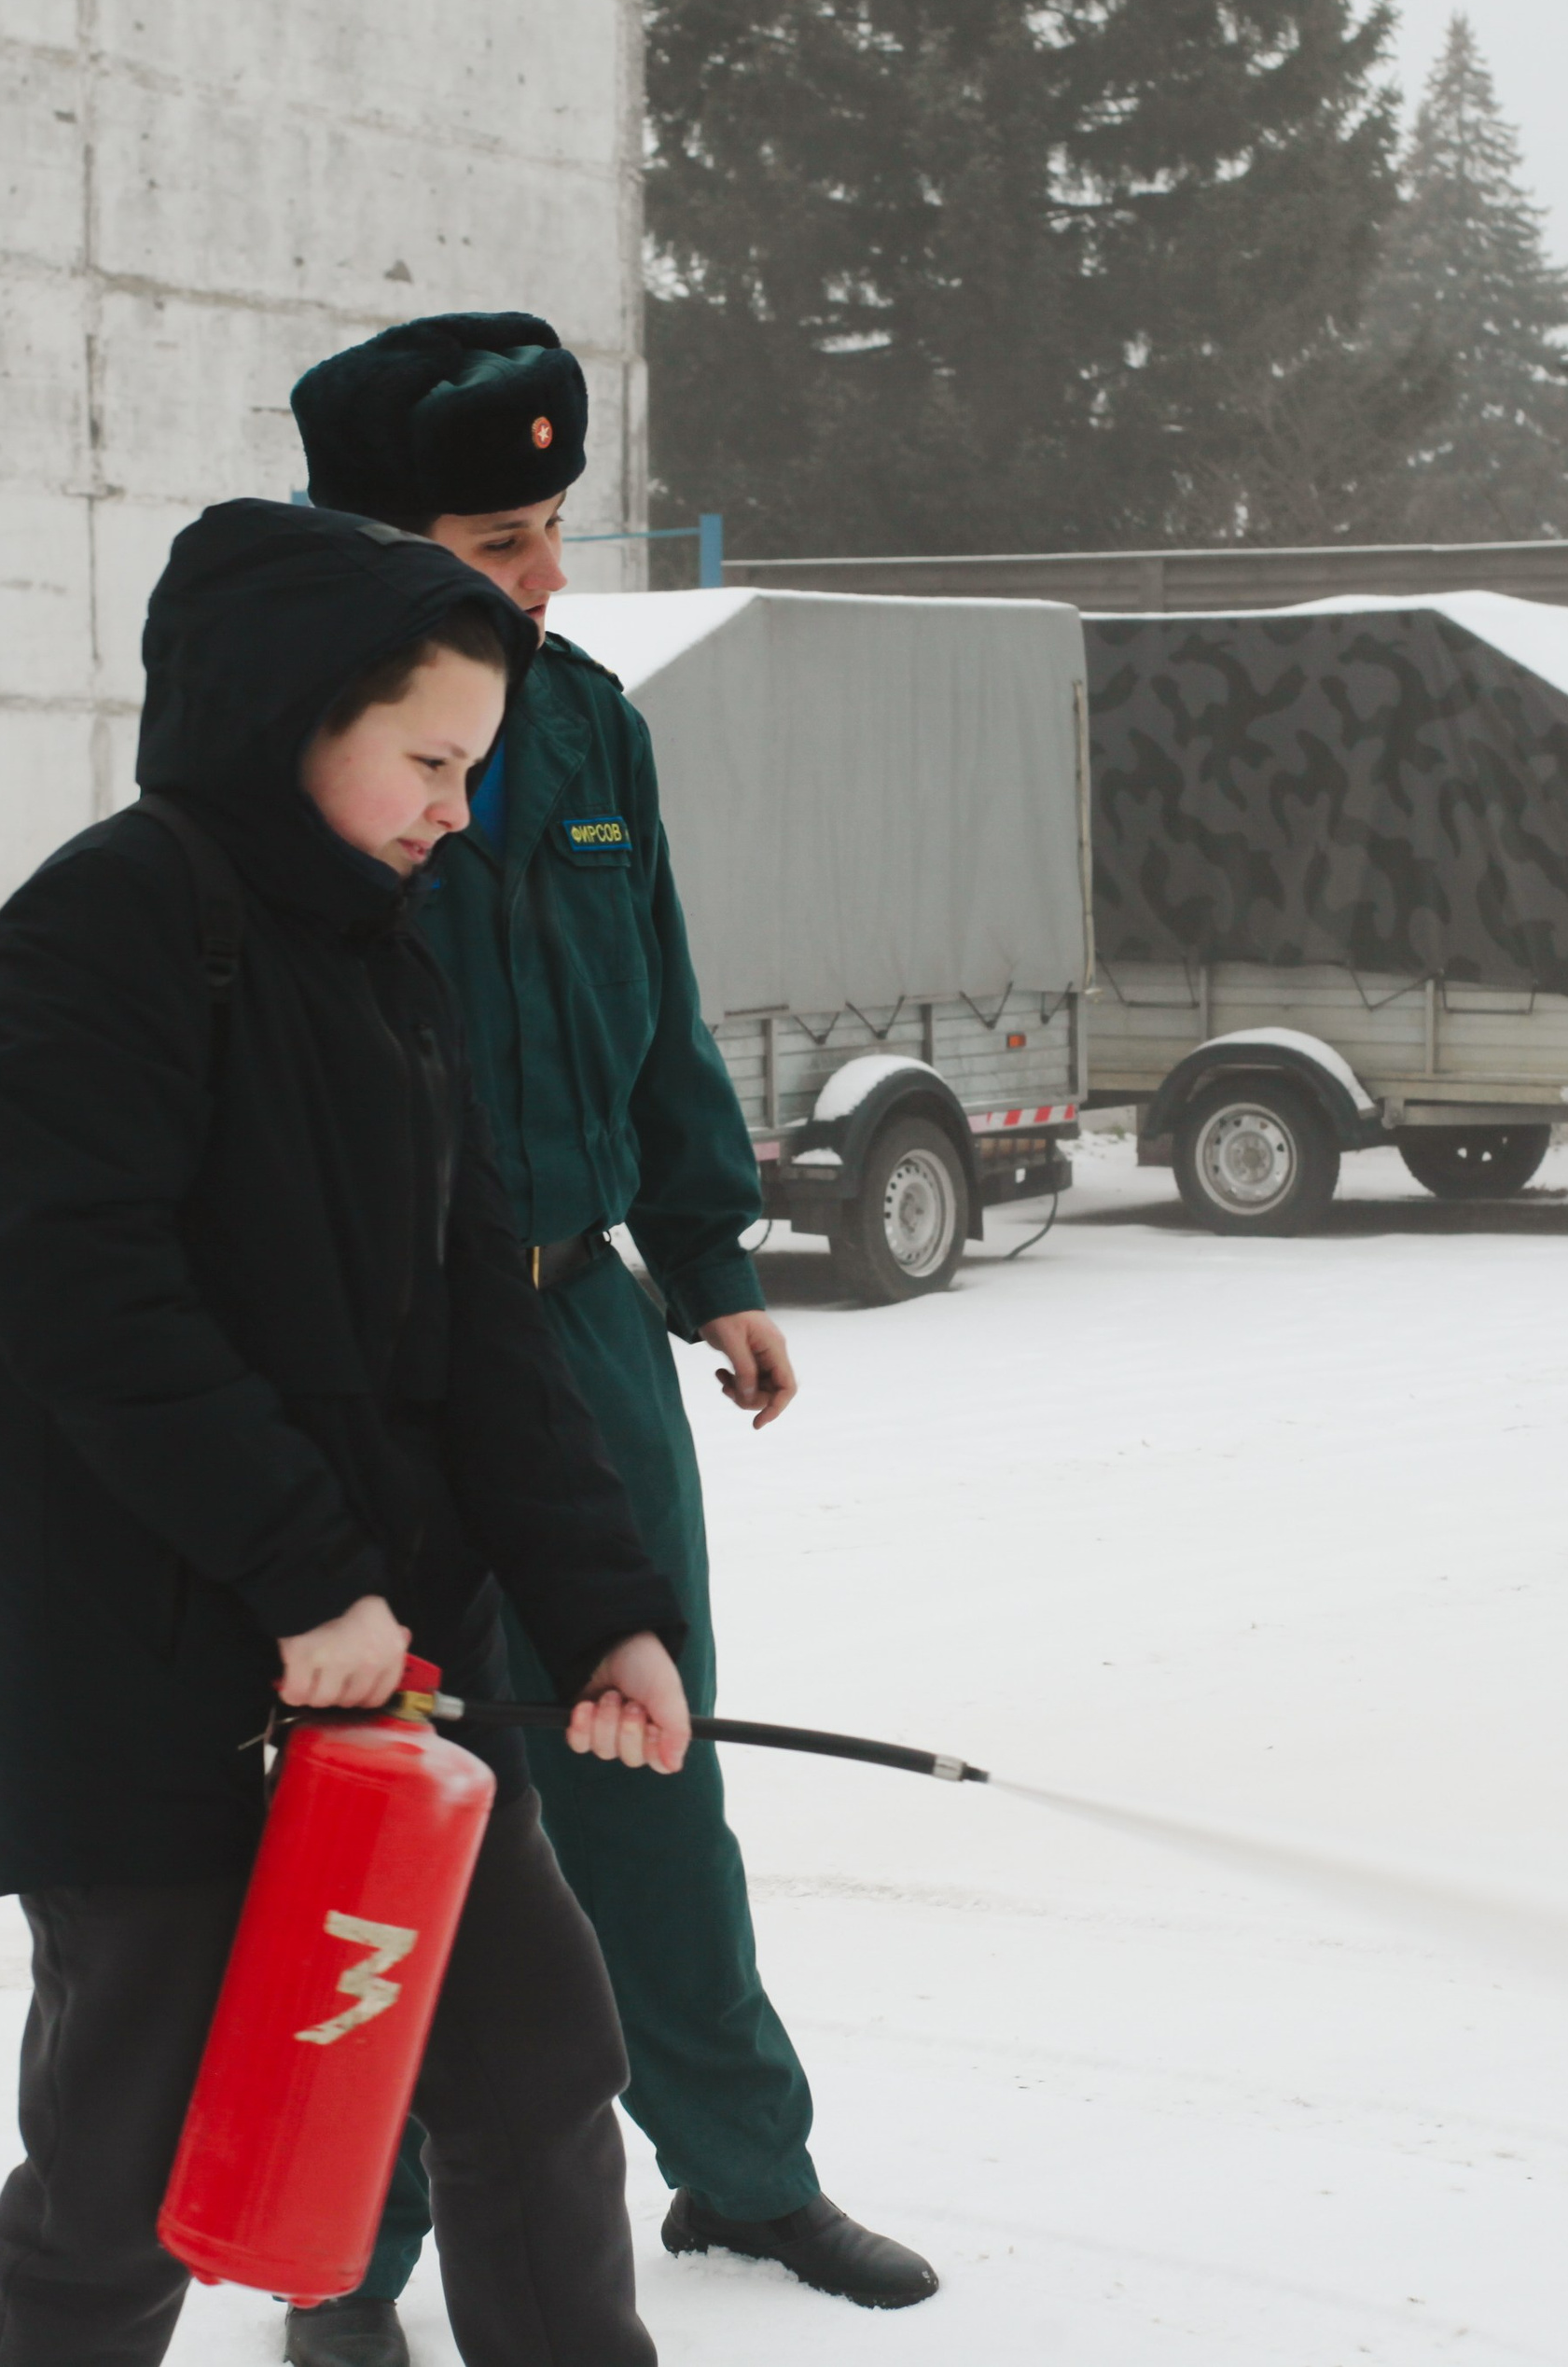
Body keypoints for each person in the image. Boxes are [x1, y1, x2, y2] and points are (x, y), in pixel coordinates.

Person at [0, 497, 694, 2367]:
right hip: (146, 1656)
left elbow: (478, 1328)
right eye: (428, 757)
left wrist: (604, 1606)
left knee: (527, 2068)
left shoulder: (380, 952)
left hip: (393, 1665)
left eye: (474, 768)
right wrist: (301, 1569)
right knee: (127, 2155)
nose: (456, 805)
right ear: (292, 712)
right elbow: (77, 1302)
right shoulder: (109, 925)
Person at [283, 313, 938, 2365]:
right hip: (385, 1361)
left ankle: (738, 2160)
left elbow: (649, 994)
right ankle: (345, 2252)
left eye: (554, 527)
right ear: (374, 543)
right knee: (396, 1805)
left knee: (657, 1762)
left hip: (584, 1328)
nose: (548, 576)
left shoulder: (576, 725)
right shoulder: (297, 754)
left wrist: (708, 1255)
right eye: (499, 535)